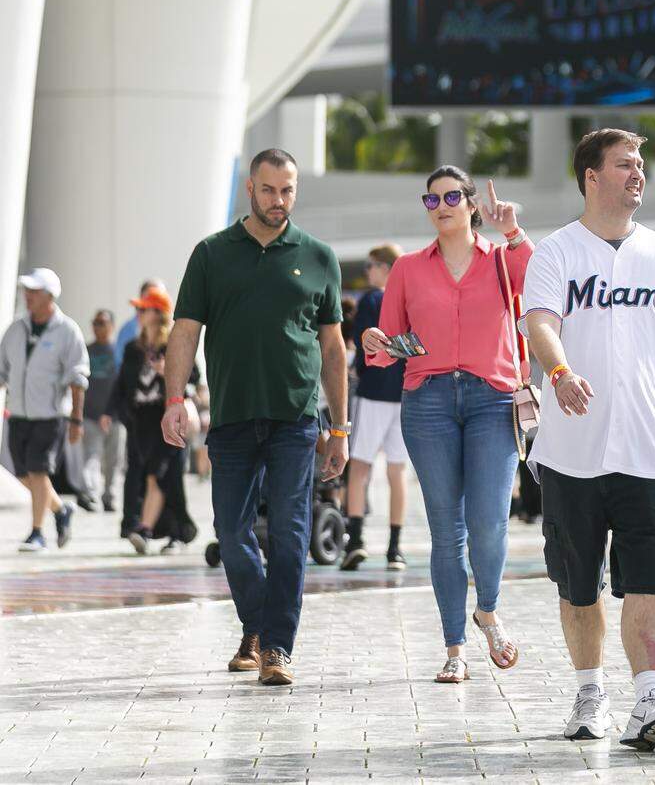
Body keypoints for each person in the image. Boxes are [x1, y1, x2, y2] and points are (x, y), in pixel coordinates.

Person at [520, 129, 655, 750]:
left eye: (641, 164)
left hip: (649, 450)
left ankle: (651, 695)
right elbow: (541, 325)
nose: (639, 174)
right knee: (578, 585)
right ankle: (589, 690)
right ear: (591, 177)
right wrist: (559, 372)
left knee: (645, 578)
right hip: (571, 454)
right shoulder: (556, 253)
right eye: (625, 165)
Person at [161, 148, 347, 686]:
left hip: (296, 421)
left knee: (290, 535)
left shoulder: (317, 256)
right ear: (250, 188)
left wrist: (339, 428)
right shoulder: (212, 254)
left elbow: (333, 350)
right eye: (269, 190)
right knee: (232, 530)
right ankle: (257, 626)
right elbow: (184, 331)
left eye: (287, 190)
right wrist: (176, 399)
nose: (278, 200)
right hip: (233, 419)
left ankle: (276, 648)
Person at [362, 168, 531, 682]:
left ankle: (489, 610)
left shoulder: (503, 259)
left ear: (472, 204)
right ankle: (454, 648)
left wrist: (513, 232)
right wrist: (376, 341)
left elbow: (544, 283)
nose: (441, 204)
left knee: (488, 521)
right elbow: (393, 345)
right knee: (445, 530)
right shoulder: (408, 269)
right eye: (431, 198)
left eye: (452, 195)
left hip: (491, 399)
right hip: (428, 402)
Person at [0, 268, 88, 552]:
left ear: (50, 295)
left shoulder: (67, 331)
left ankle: (37, 533)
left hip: (50, 416)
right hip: (18, 414)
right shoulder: (16, 329)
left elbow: (78, 378)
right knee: (22, 474)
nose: (28, 296)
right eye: (27, 291)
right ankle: (61, 510)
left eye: (34, 291)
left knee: (38, 471)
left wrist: (76, 419)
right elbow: (2, 370)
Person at [108, 287, 199, 554]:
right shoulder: (133, 349)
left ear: (158, 314)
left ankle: (145, 529)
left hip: (168, 418)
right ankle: (178, 532)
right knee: (167, 479)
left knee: (156, 476)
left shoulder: (173, 344)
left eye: (143, 309)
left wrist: (167, 372)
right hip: (142, 423)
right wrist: (113, 412)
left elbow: (193, 377)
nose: (138, 314)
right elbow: (122, 384)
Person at [343, 243, 409, 572]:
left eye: (371, 265)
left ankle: (355, 541)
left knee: (359, 467)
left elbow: (360, 341)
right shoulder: (409, 298)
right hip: (404, 393)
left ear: (384, 267)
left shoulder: (372, 299)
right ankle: (395, 548)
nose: (368, 271)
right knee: (396, 471)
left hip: (373, 392)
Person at [82, 309, 125, 512]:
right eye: (95, 322)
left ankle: (110, 496)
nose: (98, 326)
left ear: (111, 326)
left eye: (102, 322)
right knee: (91, 456)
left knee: (114, 461)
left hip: (116, 418)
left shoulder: (120, 351)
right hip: (90, 416)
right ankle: (90, 495)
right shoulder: (85, 350)